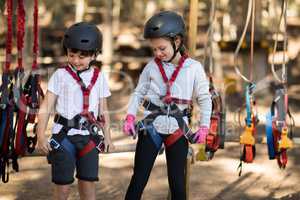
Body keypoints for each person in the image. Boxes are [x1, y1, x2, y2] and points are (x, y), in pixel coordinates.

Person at [123, 11, 212, 200]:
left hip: (178, 131)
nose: (157, 53)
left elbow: (204, 98)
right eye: (154, 49)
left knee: (177, 184)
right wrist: (130, 116)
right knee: (138, 179)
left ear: (177, 41)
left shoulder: (194, 68)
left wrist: (204, 126)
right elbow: (138, 92)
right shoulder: (151, 67)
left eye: (162, 48)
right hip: (151, 128)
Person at [36, 22, 114, 200]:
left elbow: (104, 110)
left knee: (88, 186)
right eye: (72, 55)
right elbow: (46, 106)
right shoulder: (60, 75)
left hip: (89, 137)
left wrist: (107, 136)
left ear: (94, 54)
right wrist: (41, 135)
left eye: (82, 56)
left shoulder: (99, 77)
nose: (76, 61)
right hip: (63, 137)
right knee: (62, 188)